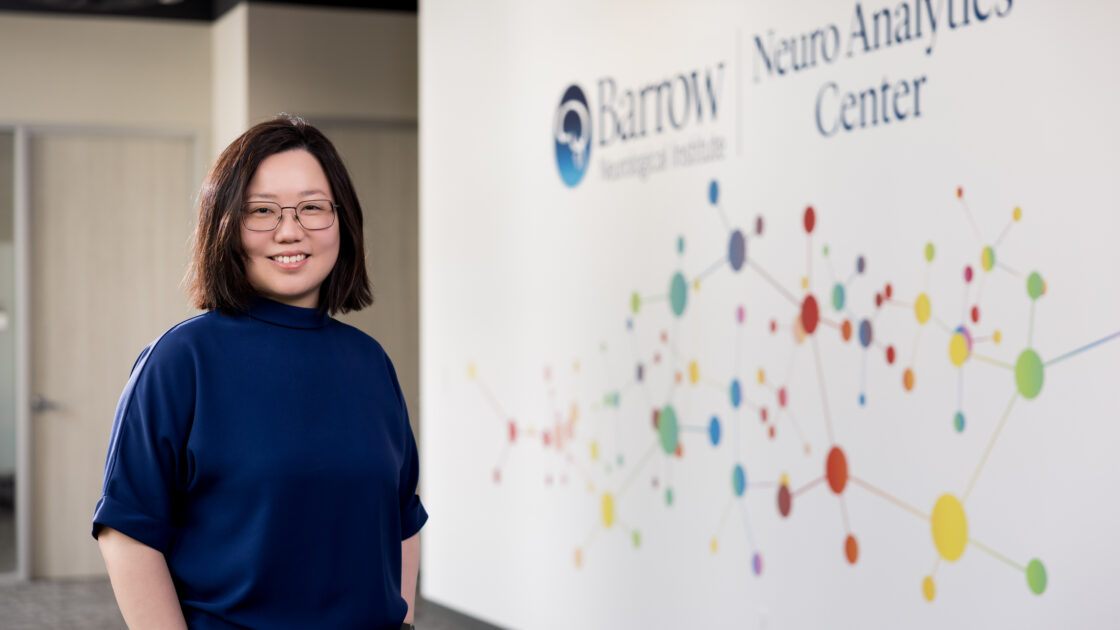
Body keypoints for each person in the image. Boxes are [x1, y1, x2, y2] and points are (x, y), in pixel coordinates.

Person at [91, 115, 427, 630]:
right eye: (262, 211)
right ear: (225, 225)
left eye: (313, 207)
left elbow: (403, 517)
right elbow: (129, 532)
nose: (290, 230)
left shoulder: (370, 362)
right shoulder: (181, 360)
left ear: (343, 220)